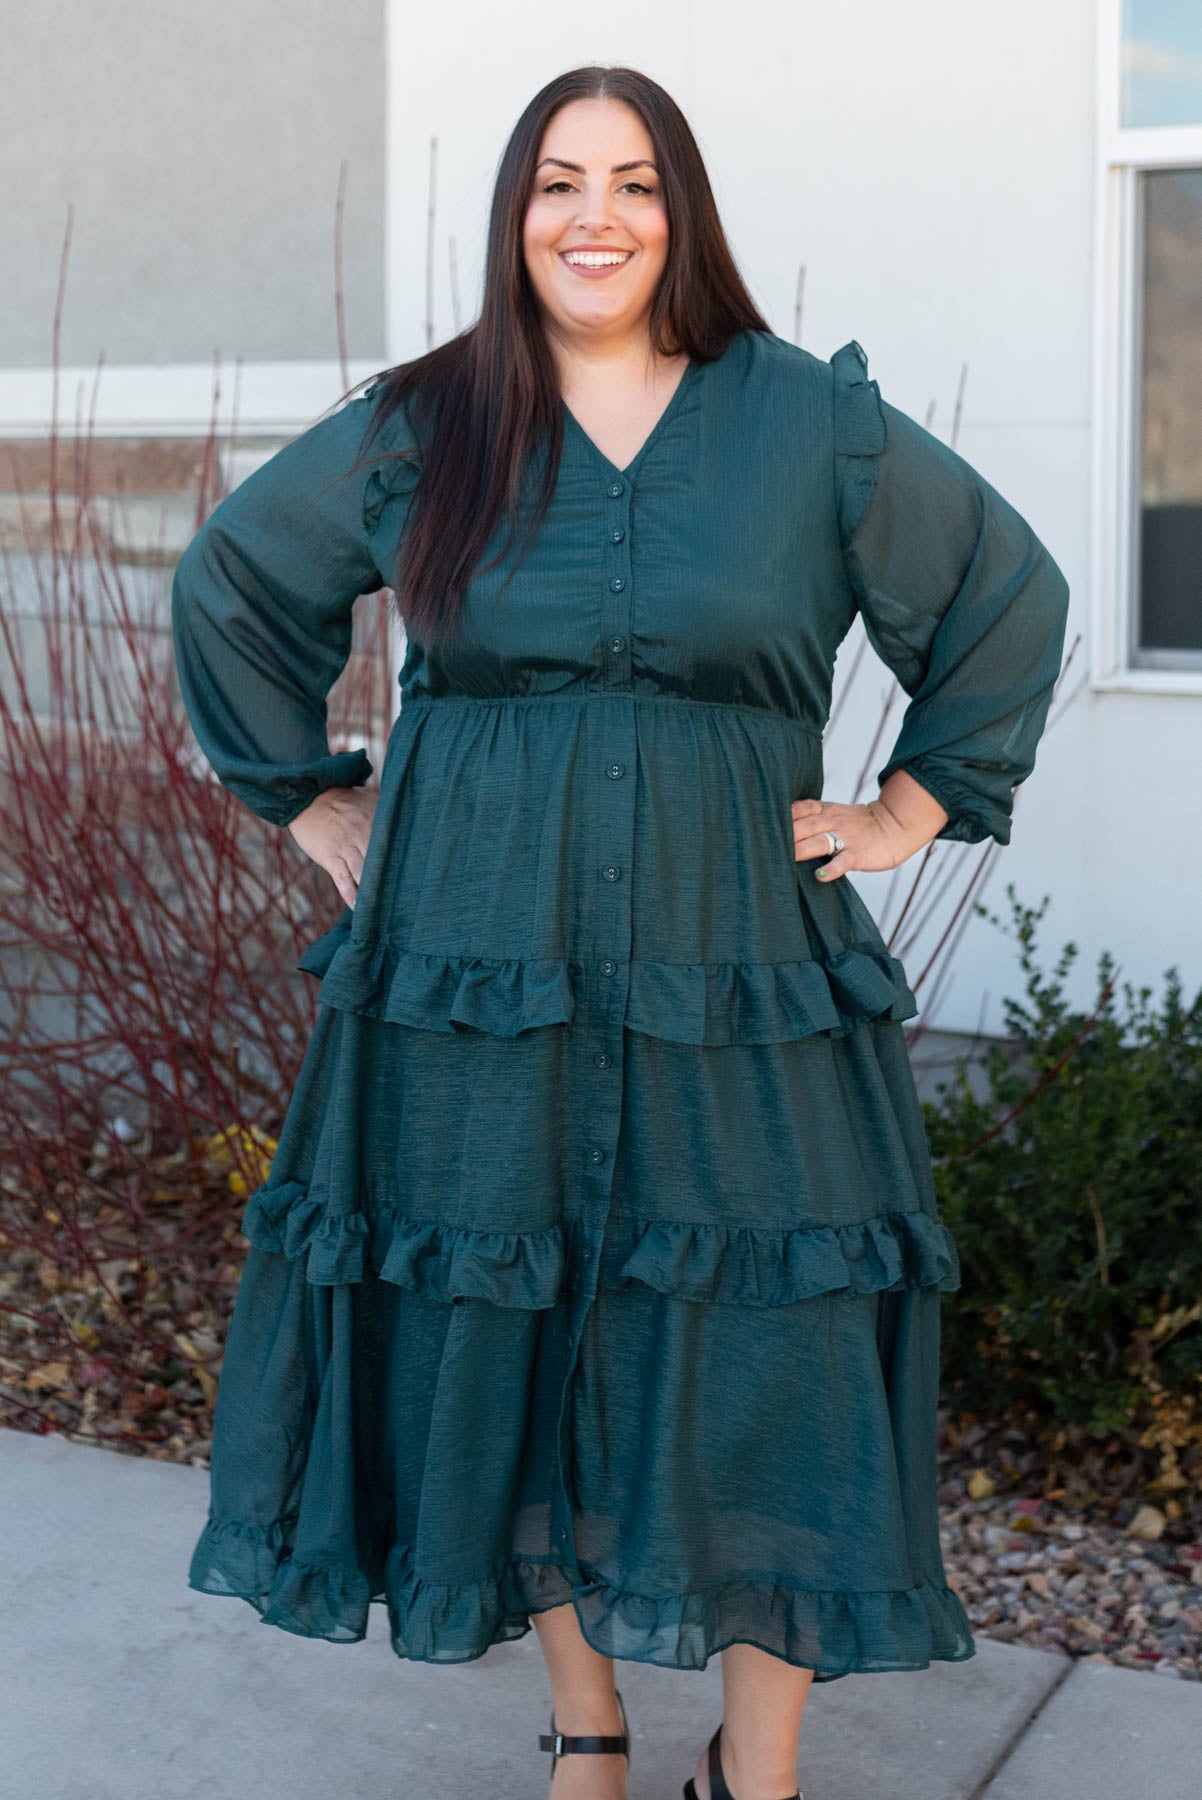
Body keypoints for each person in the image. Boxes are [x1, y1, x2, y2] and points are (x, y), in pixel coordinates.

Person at [171, 63, 1070, 1800]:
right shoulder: (429, 419)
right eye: (560, 183)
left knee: (773, 1332)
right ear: (515, 216)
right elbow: (233, 580)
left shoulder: (807, 421)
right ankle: (588, 1728)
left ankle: (759, 1764)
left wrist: (906, 806)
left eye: (637, 182)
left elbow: (1002, 595)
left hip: (739, 958)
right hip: (471, 961)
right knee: (507, 1314)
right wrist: (308, 800)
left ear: (684, 214)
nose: (597, 217)